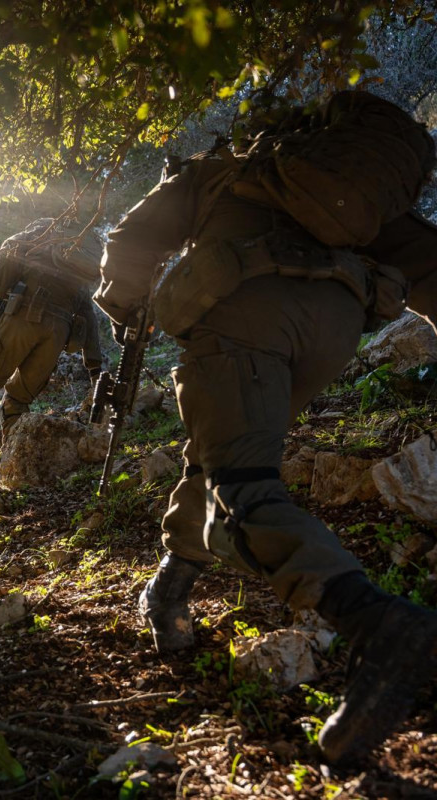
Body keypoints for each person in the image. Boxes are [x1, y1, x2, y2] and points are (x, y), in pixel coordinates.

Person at [96, 91, 437, 763]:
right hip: (334, 330)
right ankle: (171, 587)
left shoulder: (219, 172)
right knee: (224, 450)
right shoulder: (351, 197)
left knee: (243, 487)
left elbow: (130, 240)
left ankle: (375, 622)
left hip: (245, 315)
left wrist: (125, 307)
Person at [0, 216, 105, 498]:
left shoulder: (40, 232)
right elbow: (88, 314)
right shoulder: (77, 260)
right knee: (17, 401)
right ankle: (14, 470)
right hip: (58, 333)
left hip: (23, 315)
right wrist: (95, 367)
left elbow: (8, 251)